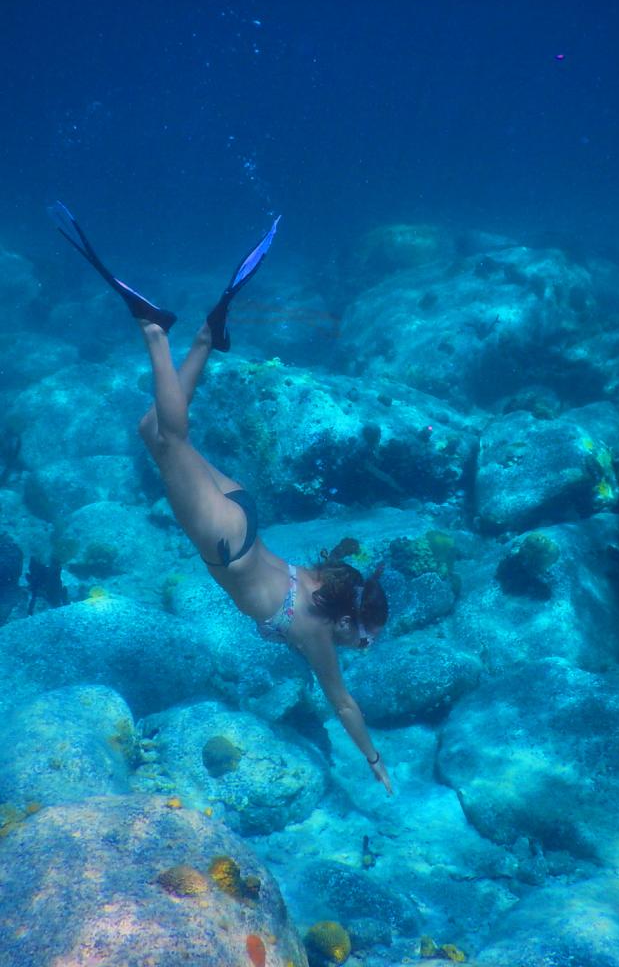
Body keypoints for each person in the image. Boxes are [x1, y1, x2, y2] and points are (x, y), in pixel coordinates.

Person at [51, 202, 393, 794]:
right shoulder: (317, 631)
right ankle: (155, 332)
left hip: (242, 515)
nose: (361, 650)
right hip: (224, 540)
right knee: (172, 437)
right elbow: (342, 704)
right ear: (348, 625)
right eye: (363, 641)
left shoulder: (325, 580)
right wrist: (375, 762)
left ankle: (208, 338)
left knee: (151, 433)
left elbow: (355, 598)